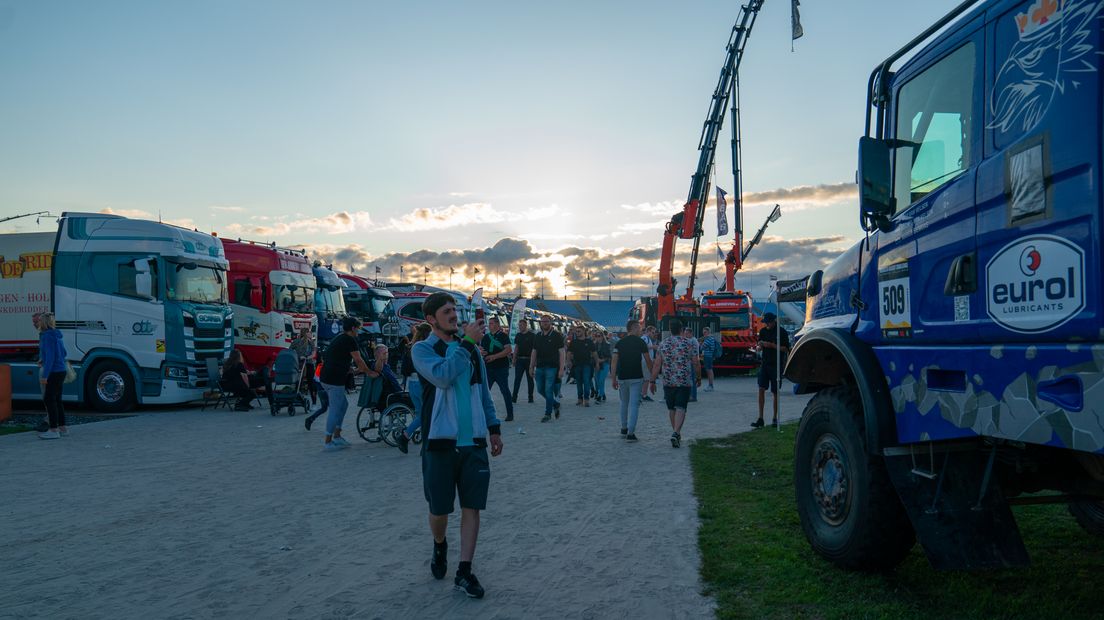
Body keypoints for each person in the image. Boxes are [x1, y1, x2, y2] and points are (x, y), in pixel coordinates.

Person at [411, 292, 503, 599]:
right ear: (431, 319)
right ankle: (440, 544)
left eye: (454, 309)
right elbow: (442, 377)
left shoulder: (473, 351)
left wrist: (493, 428)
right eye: (446, 311)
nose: (453, 314)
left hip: (473, 441)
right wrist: (466, 344)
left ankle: (464, 570)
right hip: (440, 442)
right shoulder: (423, 349)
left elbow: (483, 394)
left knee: (472, 506)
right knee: (439, 509)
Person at [318, 316, 372, 451]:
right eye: (358, 329)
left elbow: (336, 357)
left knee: (343, 405)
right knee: (336, 409)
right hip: (334, 379)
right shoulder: (350, 340)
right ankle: (328, 441)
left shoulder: (340, 338)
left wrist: (352, 370)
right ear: (353, 328)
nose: (358, 332)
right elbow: (359, 360)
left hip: (327, 376)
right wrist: (369, 372)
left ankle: (337, 436)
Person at [648, 319, 700, 448]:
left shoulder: (663, 344)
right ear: (681, 330)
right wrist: (698, 377)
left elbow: (657, 364)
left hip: (668, 381)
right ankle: (676, 432)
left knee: (672, 409)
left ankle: (676, 433)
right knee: (681, 408)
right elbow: (696, 362)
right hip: (684, 381)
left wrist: (652, 381)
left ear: (670, 330)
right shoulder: (689, 344)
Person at [611, 320, 652, 442]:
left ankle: (624, 428)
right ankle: (631, 432)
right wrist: (653, 376)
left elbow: (614, 362)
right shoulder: (640, 342)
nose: (641, 330)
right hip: (636, 377)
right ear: (634, 328)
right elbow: (648, 360)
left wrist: (614, 378)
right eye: (639, 328)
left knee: (624, 403)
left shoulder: (619, 343)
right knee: (634, 404)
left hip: (623, 377)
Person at [398, 322, 432, 454]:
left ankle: (424, 444)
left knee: (421, 413)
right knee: (427, 414)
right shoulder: (425, 347)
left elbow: (404, 369)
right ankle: (406, 435)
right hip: (421, 383)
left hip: (411, 384)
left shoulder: (410, 347)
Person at [753, 312, 790, 429]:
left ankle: (775, 417)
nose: (767, 325)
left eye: (768, 322)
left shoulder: (781, 332)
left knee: (775, 392)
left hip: (776, 364)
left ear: (774, 321)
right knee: (761, 388)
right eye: (765, 322)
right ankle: (760, 418)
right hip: (765, 363)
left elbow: (785, 349)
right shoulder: (763, 331)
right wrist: (759, 346)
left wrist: (772, 345)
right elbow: (759, 343)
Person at [36, 312, 68, 440]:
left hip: (53, 372)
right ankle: (63, 428)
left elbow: (50, 358)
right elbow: (64, 353)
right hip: (61, 370)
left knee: (49, 399)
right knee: (58, 400)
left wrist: (45, 375)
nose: (38, 323)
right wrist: (43, 359)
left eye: (39, 321)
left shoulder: (46, 336)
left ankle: (53, 429)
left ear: (43, 323)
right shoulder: (57, 335)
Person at [530, 315, 565, 423]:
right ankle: (555, 404)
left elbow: (562, 352)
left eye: (547, 321)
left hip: (552, 367)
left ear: (551, 322)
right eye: (543, 321)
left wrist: (561, 369)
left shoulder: (556, 335)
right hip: (540, 367)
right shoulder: (538, 336)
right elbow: (534, 351)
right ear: (540, 323)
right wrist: (531, 366)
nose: (544, 323)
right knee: (540, 390)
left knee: (548, 390)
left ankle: (547, 414)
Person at [481, 316, 514, 422]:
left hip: (501, 368)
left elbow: (508, 350)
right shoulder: (486, 337)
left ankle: (510, 414)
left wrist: (494, 357)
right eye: (489, 323)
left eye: (491, 323)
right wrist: (483, 352)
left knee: (505, 391)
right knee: (485, 392)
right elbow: (483, 349)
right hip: (488, 368)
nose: (489, 325)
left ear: (497, 324)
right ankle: (482, 415)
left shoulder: (503, 336)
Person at [567, 325, 597, 407]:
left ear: (584, 332)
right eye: (576, 331)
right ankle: (580, 399)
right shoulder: (574, 342)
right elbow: (569, 352)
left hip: (587, 364)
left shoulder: (589, 341)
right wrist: (568, 361)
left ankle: (586, 399)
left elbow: (594, 353)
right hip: (577, 365)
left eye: (579, 331)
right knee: (579, 382)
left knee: (586, 381)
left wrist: (597, 363)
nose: (577, 333)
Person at [289, 327, 317, 404]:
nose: (311, 334)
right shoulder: (298, 341)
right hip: (304, 363)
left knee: (302, 381)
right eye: (309, 332)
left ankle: (311, 400)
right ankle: (311, 401)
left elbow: (313, 353)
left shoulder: (310, 342)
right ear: (306, 333)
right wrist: (300, 356)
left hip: (303, 363)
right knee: (306, 382)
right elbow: (290, 350)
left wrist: (306, 357)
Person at [511, 318, 535, 404]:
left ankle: (530, 398)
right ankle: (514, 397)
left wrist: (534, 362)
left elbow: (534, 349)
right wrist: (514, 359)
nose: (520, 327)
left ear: (526, 325)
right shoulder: (518, 335)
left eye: (521, 325)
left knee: (530, 379)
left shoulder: (532, 336)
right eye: (519, 325)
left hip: (529, 360)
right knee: (517, 379)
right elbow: (516, 347)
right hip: (520, 360)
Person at [641, 325, 659, 402]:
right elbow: (643, 347)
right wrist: (653, 347)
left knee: (645, 378)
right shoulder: (645, 338)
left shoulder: (647, 338)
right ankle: (644, 395)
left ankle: (642, 394)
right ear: (648, 331)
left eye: (654, 332)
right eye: (652, 332)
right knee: (646, 379)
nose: (653, 334)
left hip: (646, 361)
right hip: (645, 361)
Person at [593, 330, 611, 403]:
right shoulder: (594, 345)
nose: (598, 337)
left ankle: (600, 396)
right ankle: (603, 394)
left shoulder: (607, 344)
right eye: (596, 336)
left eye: (599, 336)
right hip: (596, 364)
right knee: (597, 381)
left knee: (601, 380)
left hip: (605, 364)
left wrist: (602, 360)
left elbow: (609, 356)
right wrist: (597, 360)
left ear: (602, 337)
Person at [683, 326, 700, 403]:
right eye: (684, 333)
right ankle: (691, 396)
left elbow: (693, 353)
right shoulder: (692, 340)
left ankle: (693, 396)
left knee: (692, 379)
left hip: (692, 362)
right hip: (691, 362)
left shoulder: (692, 340)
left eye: (686, 333)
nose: (685, 334)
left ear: (690, 333)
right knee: (690, 379)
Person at [699, 327, 719, 392]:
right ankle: (710, 385)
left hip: (708, 357)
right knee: (709, 370)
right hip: (709, 356)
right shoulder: (711, 338)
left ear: (708, 332)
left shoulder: (709, 339)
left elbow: (701, 348)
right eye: (703, 332)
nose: (703, 334)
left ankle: (711, 386)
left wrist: (700, 343)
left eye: (705, 332)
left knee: (709, 371)